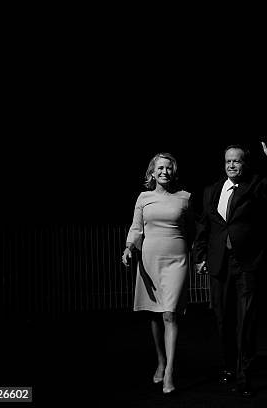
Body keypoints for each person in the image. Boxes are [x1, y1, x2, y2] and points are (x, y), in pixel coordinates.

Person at [194, 131, 267, 397]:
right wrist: (200, 256)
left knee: (246, 320)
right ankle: (229, 366)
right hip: (219, 262)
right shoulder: (212, 190)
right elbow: (205, 225)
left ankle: (245, 375)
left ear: (245, 164)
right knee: (223, 319)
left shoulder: (255, 184)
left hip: (246, 263)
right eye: (228, 161)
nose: (232, 165)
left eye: (237, 161)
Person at [121, 152, 193, 395]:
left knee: (170, 314)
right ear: (152, 172)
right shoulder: (144, 198)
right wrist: (129, 248)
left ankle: (170, 371)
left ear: (174, 172)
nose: (164, 172)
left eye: (169, 168)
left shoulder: (185, 198)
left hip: (177, 259)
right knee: (154, 314)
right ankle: (161, 361)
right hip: (150, 259)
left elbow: (194, 228)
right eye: (160, 168)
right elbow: (136, 228)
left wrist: (202, 254)